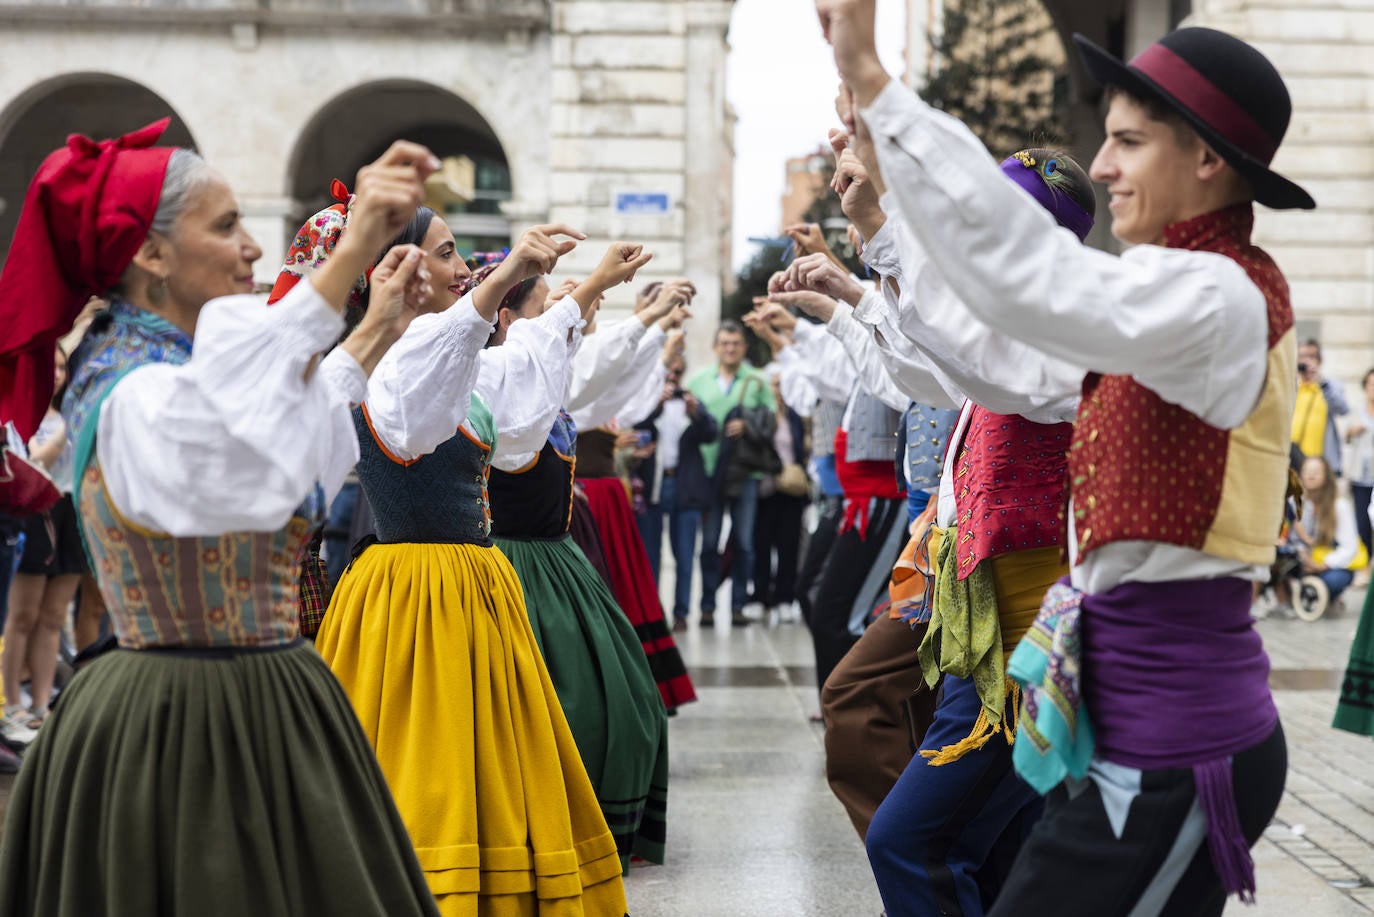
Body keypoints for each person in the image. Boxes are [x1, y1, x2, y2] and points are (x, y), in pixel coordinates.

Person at [820, 4, 1307, 910]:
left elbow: (1031, 284)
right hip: (1128, 728)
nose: (1107, 164)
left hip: (1176, 746)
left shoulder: (1216, 295)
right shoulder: (1171, 292)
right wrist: (887, 219)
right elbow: (1000, 358)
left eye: (1128, 140)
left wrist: (884, 96)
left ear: (1207, 159)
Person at [0, 120, 444, 913]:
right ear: (151, 254)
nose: (250, 248)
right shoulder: (130, 386)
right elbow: (239, 474)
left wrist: (378, 324)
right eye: (226, 225)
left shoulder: (189, 370)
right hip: (174, 723)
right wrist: (346, 263)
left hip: (269, 697)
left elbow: (294, 444)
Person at [314, 207, 651, 911]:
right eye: (445, 252)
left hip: (468, 585)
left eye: (460, 253)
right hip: (414, 594)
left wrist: (587, 288)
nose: (460, 263)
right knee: (425, 757)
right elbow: (449, 347)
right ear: (398, 273)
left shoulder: (461, 365)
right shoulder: (392, 369)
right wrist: (505, 278)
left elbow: (522, 365)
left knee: (489, 754)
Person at [473, 258, 673, 872]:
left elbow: (588, 371)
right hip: (513, 564)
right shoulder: (494, 386)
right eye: (542, 309)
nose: (556, 321)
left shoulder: (541, 384)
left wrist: (602, 309)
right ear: (506, 320)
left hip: (558, 561)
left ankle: (591, 823)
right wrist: (590, 294)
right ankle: (552, 829)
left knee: (631, 699)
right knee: (562, 706)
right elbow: (529, 418)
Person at [2, 344, 84, 745]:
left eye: (61, 365)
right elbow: (36, 462)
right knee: (22, 616)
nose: (55, 373)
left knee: (54, 616)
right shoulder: (24, 414)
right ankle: (11, 704)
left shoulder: (71, 409)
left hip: (72, 512)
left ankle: (40, 706)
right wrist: (71, 426)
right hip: (36, 512)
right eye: (48, 365)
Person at [688, 321, 777, 627]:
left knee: (744, 542)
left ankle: (739, 604)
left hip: (745, 473)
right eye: (724, 343)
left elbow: (771, 422)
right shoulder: (698, 381)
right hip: (708, 475)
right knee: (709, 543)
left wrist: (747, 426)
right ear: (716, 347)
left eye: (735, 343)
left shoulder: (757, 380)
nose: (730, 348)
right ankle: (708, 605)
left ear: (744, 347)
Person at [635, 361, 720, 631]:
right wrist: (654, 405)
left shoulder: (692, 402)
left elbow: (710, 433)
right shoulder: (648, 402)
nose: (672, 378)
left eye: (677, 373)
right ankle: (654, 613)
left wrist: (696, 412)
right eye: (667, 373)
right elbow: (634, 426)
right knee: (651, 555)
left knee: (685, 555)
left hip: (686, 488)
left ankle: (681, 612)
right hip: (654, 487)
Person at [750, 368, 809, 620]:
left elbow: (802, 448)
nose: (779, 390)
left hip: (791, 487)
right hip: (764, 487)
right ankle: (760, 596)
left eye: (783, 384)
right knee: (761, 544)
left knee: (789, 545)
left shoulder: (795, 417)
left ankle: (785, 597)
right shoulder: (760, 415)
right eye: (774, 384)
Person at [1282, 456, 1365, 606]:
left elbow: (1349, 547)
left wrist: (1322, 564)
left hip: (1327, 565)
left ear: (1326, 475)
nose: (1310, 475)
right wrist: (1303, 558)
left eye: (1315, 471)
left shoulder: (1339, 506)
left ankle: (1323, 597)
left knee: (1335, 579)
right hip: (1300, 559)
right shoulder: (1295, 502)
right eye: (1306, 471)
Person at [1292, 339, 1349, 474]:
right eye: (1302, 356)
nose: (1306, 361)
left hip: (1321, 462)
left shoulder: (1329, 385)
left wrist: (1321, 382)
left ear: (1319, 360)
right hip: (1292, 458)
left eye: (1311, 356)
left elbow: (1342, 409)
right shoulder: (1291, 385)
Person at [1344, 368, 1374, 557]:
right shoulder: (1356, 411)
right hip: (1359, 476)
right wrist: (1352, 432)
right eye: (1372, 384)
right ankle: (1366, 560)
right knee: (1362, 521)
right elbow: (1345, 437)